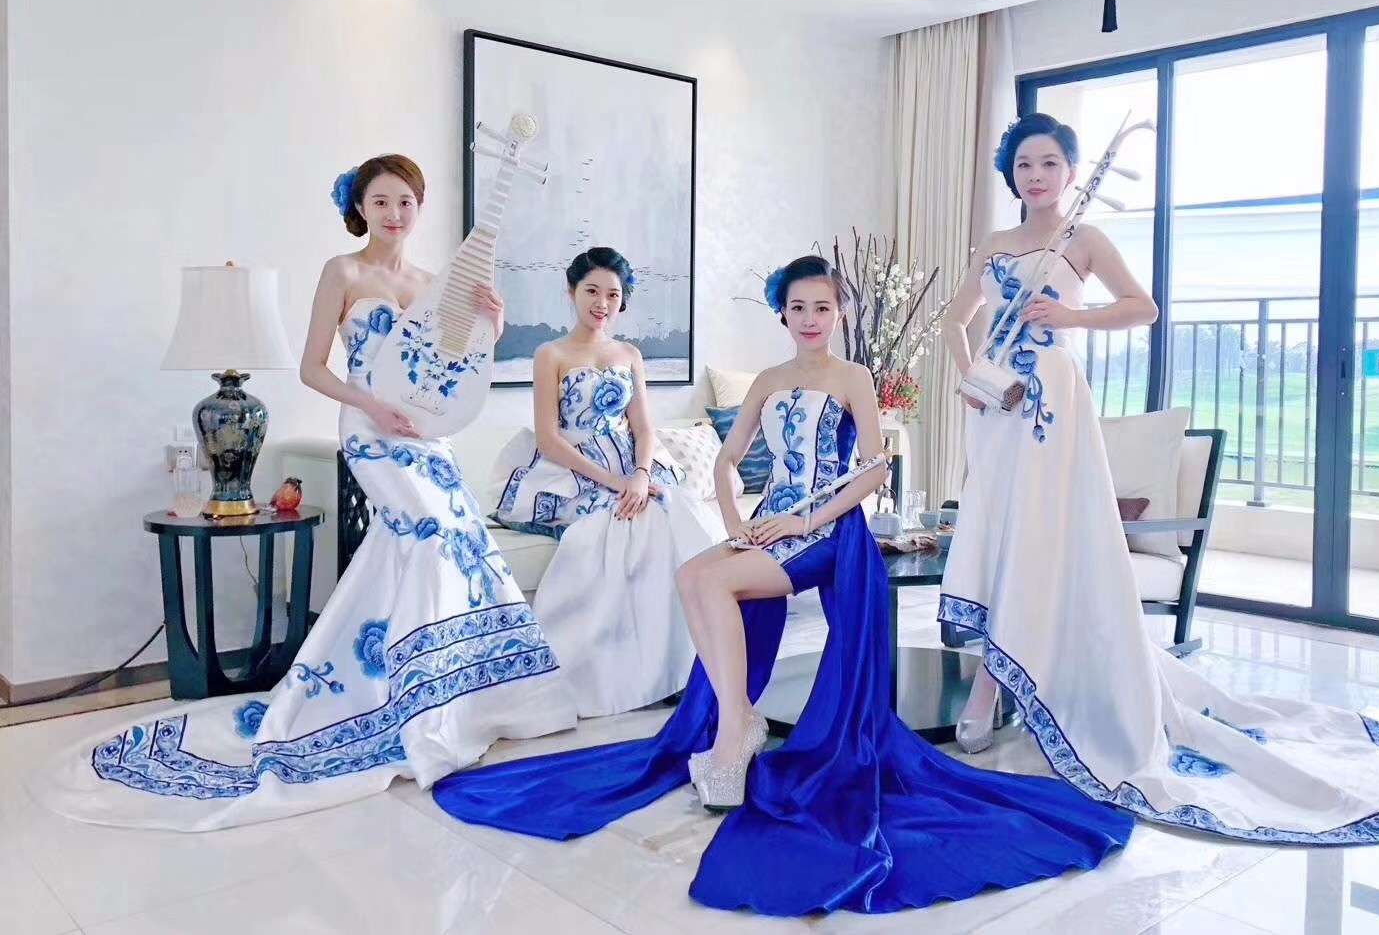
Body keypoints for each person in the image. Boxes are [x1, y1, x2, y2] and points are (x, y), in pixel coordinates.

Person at [432, 255, 1134, 917]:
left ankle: (737, 728)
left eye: (822, 307)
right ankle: (740, 717)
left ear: (838, 313)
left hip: (828, 531)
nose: (810, 319)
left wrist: (805, 518)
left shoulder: (854, 377)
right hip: (770, 523)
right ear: (783, 314)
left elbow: (873, 469)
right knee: (693, 574)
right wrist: (737, 521)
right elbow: (727, 461)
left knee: (712, 587)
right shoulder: (769, 378)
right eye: (798, 308)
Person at [31, 154, 575, 830]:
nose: (395, 214)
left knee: (453, 542)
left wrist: (493, 320)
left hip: (424, 434)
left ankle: (463, 698)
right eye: (381, 201)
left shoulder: (432, 283)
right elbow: (313, 367)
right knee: (431, 535)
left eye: (406, 202)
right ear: (360, 207)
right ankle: (420, 704)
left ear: (419, 207)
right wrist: (371, 406)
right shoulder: (342, 272)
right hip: (370, 430)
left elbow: (452, 366)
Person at [939, 113, 1379, 845]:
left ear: (1070, 171)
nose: (1035, 176)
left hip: (1055, 401)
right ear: (1010, 174)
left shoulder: (1084, 237)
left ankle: (995, 681)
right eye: (1024, 165)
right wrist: (973, 380)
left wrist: (1072, 315)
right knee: (996, 530)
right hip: (998, 406)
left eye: (1049, 163)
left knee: (1042, 535)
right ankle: (997, 669)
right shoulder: (993, 243)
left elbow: (1143, 307)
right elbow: (956, 322)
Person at [494, 247, 723, 716]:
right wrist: (614, 482)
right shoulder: (551, 354)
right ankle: (615, 674)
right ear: (572, 292)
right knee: (621, 526)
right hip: (576, 472)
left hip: (634, 467)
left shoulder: (630, 354)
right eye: (592, 291)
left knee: (676, 516)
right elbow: (549, 437)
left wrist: (639, 475)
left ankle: (684, 668)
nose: (602, 303)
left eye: (613, 295)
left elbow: (644, 429)